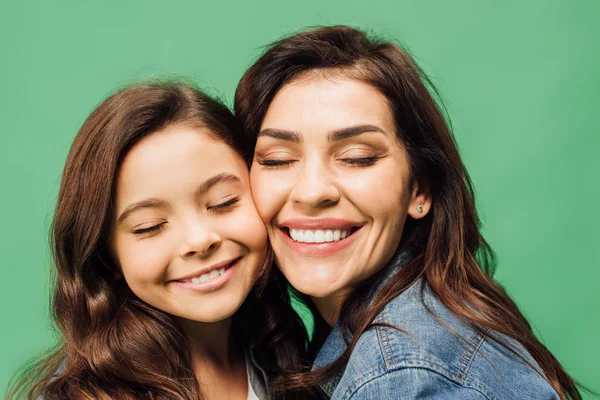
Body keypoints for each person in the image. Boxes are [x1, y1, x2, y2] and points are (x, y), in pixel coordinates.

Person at [234, 26, 582, 399]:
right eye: (278, 159)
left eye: (358, 158)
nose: (313, 191)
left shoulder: (402, 373)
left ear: (420, 189)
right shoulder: (411, 324)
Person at [8, 82, 310, 400]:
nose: (198, 240)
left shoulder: (277, 350)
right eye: (150, 227)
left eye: (223, 202)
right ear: (106, 256)